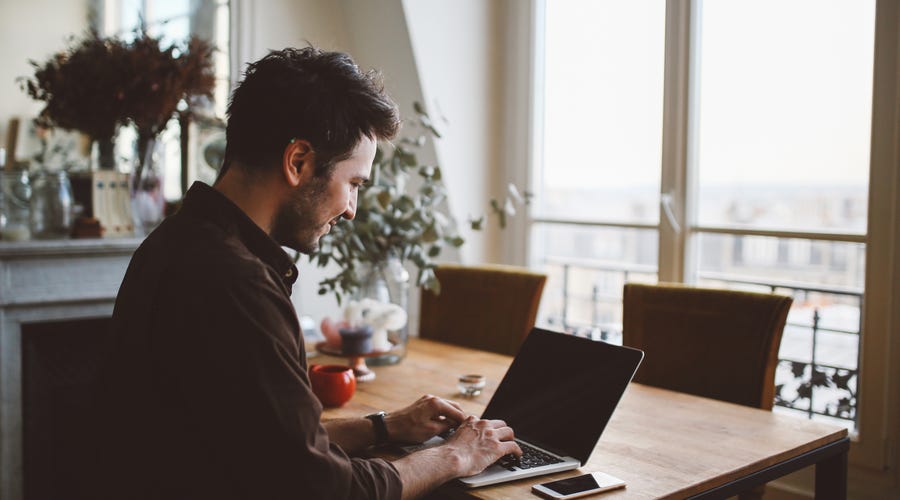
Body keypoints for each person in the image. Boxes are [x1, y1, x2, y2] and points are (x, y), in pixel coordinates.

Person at [93, 47, 521, 499]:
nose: (352, 209)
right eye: (353, 184)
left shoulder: (178, 243)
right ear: (298, 161)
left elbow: (273, 447)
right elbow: (322, 488)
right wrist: (453, 456)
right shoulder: (236, 284)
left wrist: (384, 426)